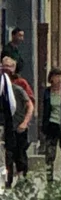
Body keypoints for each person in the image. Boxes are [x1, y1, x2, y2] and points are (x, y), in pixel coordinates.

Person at [1, 60, 32, 188]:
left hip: (18, 126)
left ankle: (22, 179)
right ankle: (7, 180)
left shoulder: (19, 87)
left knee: (20, 154)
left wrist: (25, 122)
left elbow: (30, 104)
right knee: (7, 154)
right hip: (6, 127)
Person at [41, 67, 61, 182]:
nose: (58, 79)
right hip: (52, 124)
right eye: (56, 77)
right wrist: (44, 127)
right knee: (50, 155)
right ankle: (50, 180)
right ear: (51, 78)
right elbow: (45, 110)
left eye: (60, 76)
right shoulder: (47, 92)